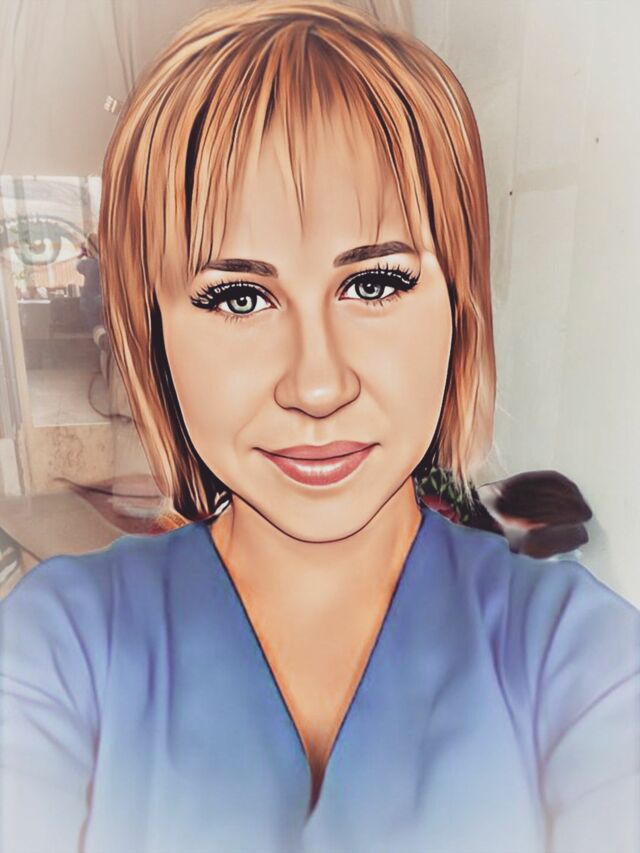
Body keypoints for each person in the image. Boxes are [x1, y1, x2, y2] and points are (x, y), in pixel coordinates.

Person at [1, 2, 639, 851]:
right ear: (152, 335)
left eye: (374, 284)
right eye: (239, 297)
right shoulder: (56, 645)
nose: (317, 383)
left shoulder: (581, 657)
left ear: (461, 305)